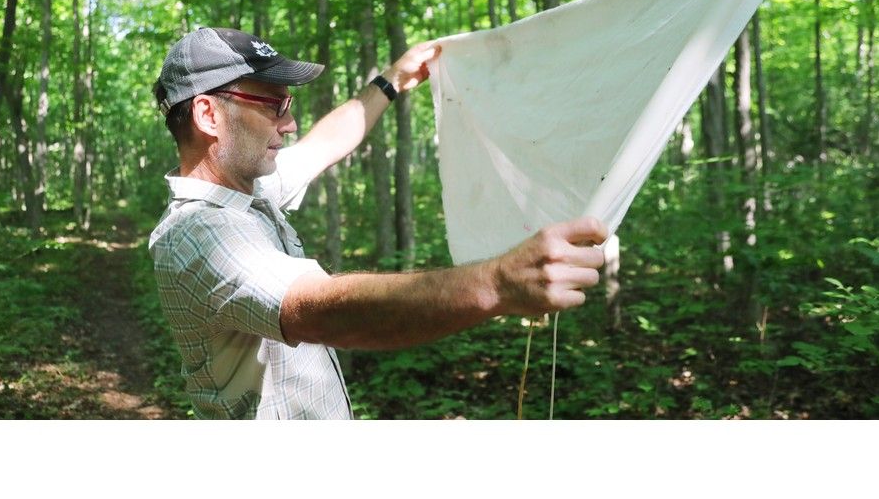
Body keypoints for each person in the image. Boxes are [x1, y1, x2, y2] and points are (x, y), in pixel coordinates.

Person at [149, 26, 608, 419]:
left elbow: (323, 145)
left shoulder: (250, 191)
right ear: (209, 115)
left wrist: (391, 81)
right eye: (274, 106)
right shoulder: (198, 232)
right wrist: (497, 283)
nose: (289, 124)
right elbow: (321, 311)